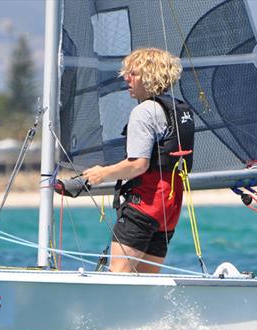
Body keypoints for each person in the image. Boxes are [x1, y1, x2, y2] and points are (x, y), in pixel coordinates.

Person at [56, 47, 194, 273]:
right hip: (169, 206)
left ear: (151, 75)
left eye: (134, 73)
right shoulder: (176, 108)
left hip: (145, 204)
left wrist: (102, 173)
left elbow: (138, 164)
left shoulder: (144, 112)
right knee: (145, 280)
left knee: (120, 276)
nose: (125, 77)